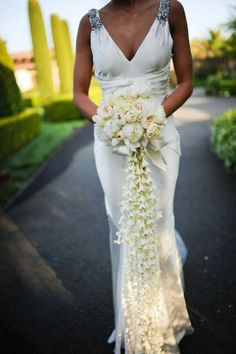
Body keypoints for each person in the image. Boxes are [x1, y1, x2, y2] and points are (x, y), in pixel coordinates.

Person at [73, 0, 194, 353]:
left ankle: (166, 318)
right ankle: (134, 321)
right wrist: (109, 121)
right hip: (111, 140)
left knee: (158, 222)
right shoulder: (89, 23)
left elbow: (186, 82)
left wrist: (152, 117)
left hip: (160, 136)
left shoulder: (170, 10)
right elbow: (79, 93)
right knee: (124, 224)